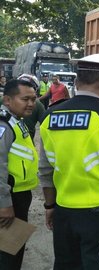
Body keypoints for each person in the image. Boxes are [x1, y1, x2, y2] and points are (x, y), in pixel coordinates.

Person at [38, 54, 99, 270]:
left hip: (63, 210)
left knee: (65, 264)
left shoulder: (50, 116)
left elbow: (45, 169)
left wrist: (50, 205)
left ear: (76, 81)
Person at [0, 79, 39, 270]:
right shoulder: (4, 125)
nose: (31, 103)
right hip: (10, 198)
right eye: (25, 99)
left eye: (34, 99)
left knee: (14, 250)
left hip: (20, 194)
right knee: (7, 254)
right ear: (8, 100)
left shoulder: (16, 120)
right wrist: (4, 204)